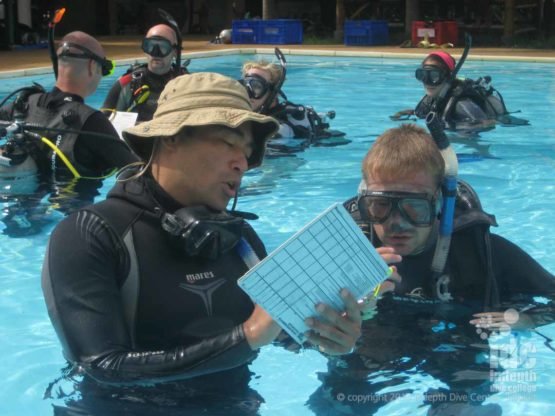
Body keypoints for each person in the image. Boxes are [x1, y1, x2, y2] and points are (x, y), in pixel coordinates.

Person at [42, 72, 362, 414]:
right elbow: (102, 366)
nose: (242, 163)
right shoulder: (91, 234)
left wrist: (330, 338)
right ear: (171, 137)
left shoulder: (240, 242)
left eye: (247, 152)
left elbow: (280, 331)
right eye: (229, 143)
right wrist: (249, 335)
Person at [308, 123, 555, 415]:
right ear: (364, 202)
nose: (396, 222)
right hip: (380, 343)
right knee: (331, 405)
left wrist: (523, 319)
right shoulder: (352, 253)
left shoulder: (480, 251)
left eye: (414, 207)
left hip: (457, 347)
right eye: (380, 206)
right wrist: (334, 333)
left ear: (439, 204)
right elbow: (292, 331)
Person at [0, 31, 138, 237]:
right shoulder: (90, 121)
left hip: (17, 216)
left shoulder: (21, 105)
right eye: (105, 69)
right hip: (72, 228)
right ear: (93, 66)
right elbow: (136, 173)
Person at [391, 51, 528, 130]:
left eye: (434, 76)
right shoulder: (430, 98)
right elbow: (423, 112)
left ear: (447, 77)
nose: (427, 82)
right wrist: (402, 113)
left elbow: (482, 127)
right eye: (422, 75)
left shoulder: (462, 105)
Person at [240, 58, 343, 142]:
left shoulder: (278, 129)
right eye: (245, 85)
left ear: (273, 92)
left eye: (256, 86)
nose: (249, 93)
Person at [102, 23, 188, 123]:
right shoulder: (127, 84)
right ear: (144, 49)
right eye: (151, 46)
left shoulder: (187, 83)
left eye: (163, 47)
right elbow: (105, 122)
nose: (156, 53)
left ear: (175, 52)